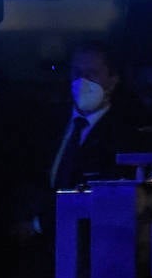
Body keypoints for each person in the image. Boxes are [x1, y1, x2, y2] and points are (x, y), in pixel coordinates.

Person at [49, 41, 142, 192]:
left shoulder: (124, 134)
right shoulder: (49, 123)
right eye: (77, 72)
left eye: (92, 73)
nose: (83, 80)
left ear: (113, 80)